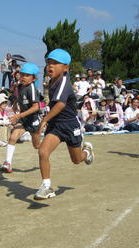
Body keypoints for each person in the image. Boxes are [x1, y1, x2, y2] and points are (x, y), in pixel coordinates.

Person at [35, 49, 94, 200]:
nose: (50, 66)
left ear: (66, 68)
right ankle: (46, 186)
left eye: (55, 63)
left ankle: (87, 151)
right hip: (56, 125)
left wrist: (44, 120)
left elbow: (60, 105)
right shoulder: (51, 81)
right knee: (43, 152)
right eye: (48, 62)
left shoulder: (63, 84)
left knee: (77, 160)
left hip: (70, 126)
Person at [0, 63, 41, 173]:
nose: (23, 77)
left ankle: (47, 149)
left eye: (27, 75)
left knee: (37, 146)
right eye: (22, 74)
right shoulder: (19, 86)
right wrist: (16, 103)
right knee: (13, 137)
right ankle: (7, 163)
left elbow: (36, 107)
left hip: (33, 120)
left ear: (34, 78)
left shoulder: (32, 88)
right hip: (23, 119)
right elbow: (20, 96)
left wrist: (18, 115)